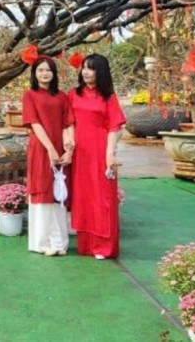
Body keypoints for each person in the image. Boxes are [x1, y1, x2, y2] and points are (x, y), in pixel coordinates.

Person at [67, 53, 127, 260]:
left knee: (103, 198)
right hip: (80, 153)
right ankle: (86, 245)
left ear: (100, 72)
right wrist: (69, 145)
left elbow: (115, 127)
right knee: (84, 198)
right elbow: (68, 123)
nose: (85, 71)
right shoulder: (73, 94)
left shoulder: (108, 97)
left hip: (101, 151)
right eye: (84, 67)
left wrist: (110, 153)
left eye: (91, 68)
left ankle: (104, 246)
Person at [22, 57, 75, 256]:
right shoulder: (30, 95)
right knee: (42, 190)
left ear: (54, 74)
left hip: (60, 149)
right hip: (41, 147)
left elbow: (68, 123)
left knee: (58, 193)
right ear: (34, 73)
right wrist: (51, 149)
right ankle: (41, 243)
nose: (44, 74)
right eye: (40, 70)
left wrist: (68, 150)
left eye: (48, 70)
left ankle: (59, 243)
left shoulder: (62, 96)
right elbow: (34, 124)